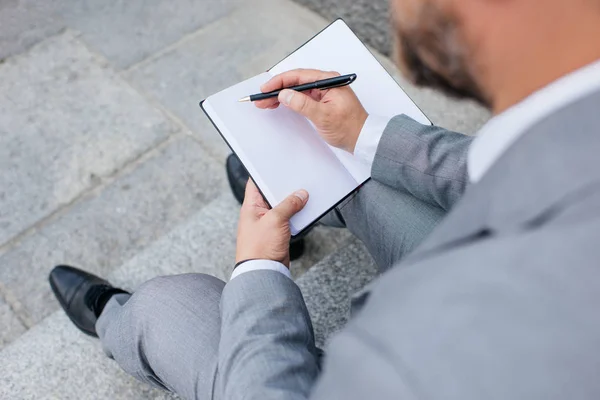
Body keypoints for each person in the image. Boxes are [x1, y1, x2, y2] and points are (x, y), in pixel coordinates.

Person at [49, 0, 600, 398]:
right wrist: (366, 134)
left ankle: (113, 319)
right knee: (363, 171)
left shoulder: (411, 364)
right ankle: (295, 199)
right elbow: (499, 172)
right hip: (518, 263)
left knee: (166, 306)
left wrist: (259, 267)